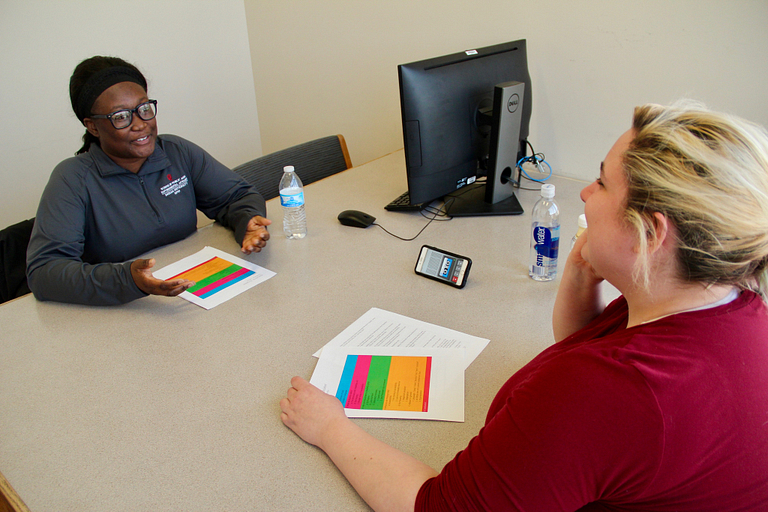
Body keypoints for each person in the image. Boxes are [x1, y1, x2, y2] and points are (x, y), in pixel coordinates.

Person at [280, 101, 768, 511]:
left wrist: (330, 428)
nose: (584, 192)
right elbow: (582, 347)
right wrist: (581, 271)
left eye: (601, 182)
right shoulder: (717, 297)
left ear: (652, 235)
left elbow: (435, 507)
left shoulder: (607, 391)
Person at [26, 56, 271, 306]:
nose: (140, 124)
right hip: (126, 309)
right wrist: (127, 279)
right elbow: (44, 272)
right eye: (121, 117)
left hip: (193, 291)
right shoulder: (72, 179)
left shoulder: (177, 152)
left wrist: (247, 219)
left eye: (144, 109)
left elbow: (236, 196)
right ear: (93, 127)